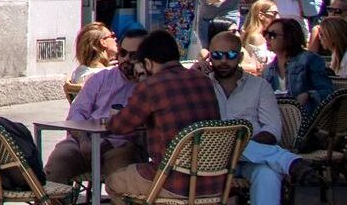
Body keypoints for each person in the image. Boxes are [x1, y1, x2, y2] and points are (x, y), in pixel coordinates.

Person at [103, 30, 223, 199]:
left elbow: (119, 126)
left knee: (114, 181)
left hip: (172, 181)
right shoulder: (203, 80)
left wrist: (142, 82)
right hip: (214, 182)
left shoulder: (152, 86)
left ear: (147, 63)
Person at [203, 30, 303, 205]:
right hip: (212, 159)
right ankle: (287, 160)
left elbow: (272, 130)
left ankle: (278, 159)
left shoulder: (260, 86)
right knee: (223, 145)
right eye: (217, 55)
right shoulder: (201, 86)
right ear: (209, 57)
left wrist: (243, 151)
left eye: (230, 55)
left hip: (255, 157)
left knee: (268, 174)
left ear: (240, 57)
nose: (223, 61)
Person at [42, 27, 145, 191]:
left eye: (134, 56)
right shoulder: (101, 78)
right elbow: (77, 113)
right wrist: (83, 138)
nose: (126, 59)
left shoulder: (149, 86)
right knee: (57, 165)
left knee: (121, 181)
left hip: (121, 146)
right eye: (123, 53)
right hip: (84, 142)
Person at [263, 16, 333, 111]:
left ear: (289, 37)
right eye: (265, 33)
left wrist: (308, 95)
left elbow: (328, 92)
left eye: (272, 35)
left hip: (308, 120)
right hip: (277, 120)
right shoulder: (267, 70)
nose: (267, 38)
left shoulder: (309, 60)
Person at [238, 0, 279, 75]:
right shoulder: (255, 37)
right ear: (261, 16)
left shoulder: (263, 35)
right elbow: (262, 64)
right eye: (274, 13)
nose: (277, 17)